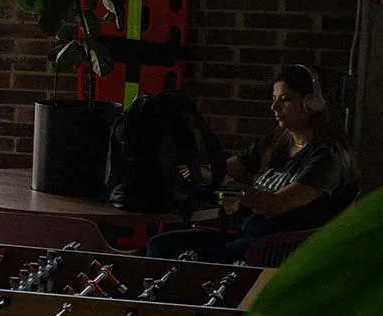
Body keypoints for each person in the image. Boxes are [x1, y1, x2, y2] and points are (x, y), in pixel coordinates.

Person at [146, 65, 359, 262]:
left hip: (281, 249)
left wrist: (221, 182)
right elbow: (223, 170)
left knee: (200, 258)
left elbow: (276, 205)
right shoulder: (275, 143)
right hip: (247, 234)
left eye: (285, 99)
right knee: (161, 245)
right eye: (274, 99)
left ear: (313, 103)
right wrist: (187, 171)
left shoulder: (328, 157)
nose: (274, 107)